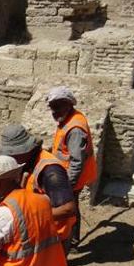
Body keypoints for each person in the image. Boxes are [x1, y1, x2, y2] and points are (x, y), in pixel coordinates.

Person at [0, 124, 75, 266]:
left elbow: (68, 208)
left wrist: (36, 217)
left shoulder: (51, 172)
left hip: (55, 235)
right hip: (41, 232)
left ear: (24, 149)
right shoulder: (29, 163)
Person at [46, 86, 98, 252]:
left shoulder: (75, 129)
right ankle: (73, 240)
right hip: (67, 175)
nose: (54, 112)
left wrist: (67, 185)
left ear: (68, 104)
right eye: (52, 108)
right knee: (72, 208)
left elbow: (76, 161)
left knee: (68, 211)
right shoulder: (68, 118)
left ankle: (69, 244)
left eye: (58, 107)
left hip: (71, 178)